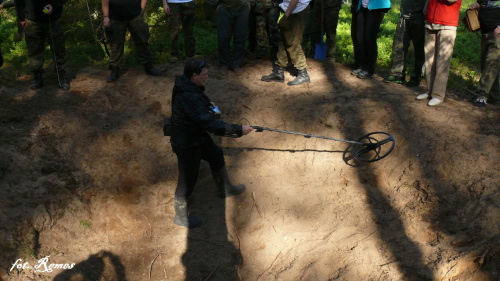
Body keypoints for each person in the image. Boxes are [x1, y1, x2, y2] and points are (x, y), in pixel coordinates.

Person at [170, 59, 253, 229]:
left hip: (196, 134)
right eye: (204, 74)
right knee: (187, 180)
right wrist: (238, 130)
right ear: (194, 76)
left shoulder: (187, 85)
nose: (207, 77)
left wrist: (208, 106)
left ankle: (225, 188)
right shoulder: (189, 95)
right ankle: (180, 217)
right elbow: (212, 125)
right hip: (186, 143)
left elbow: (200, 105)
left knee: (215, 155)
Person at [15, 0, 70, 90]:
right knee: (34, 50)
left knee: (58, 48)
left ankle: (62, 78)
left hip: (54, 20)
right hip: (31, 20)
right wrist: (21, 18)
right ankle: (37, 78)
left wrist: (54, 5)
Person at [102, 0, 161, 83]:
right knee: (116, 44)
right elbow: (105, 1)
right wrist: (106, 16)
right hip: (115, 18)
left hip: (136, 15)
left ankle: (149, 67)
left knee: (142, 41)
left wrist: (141, 10)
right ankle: (114, 70)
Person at [415, 0, 462, 106]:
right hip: (430, 22)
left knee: (442, 62)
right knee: (429, 60)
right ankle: (429, 91)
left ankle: (438, 95)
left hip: (447, 24)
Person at [261, 0, 312, 86]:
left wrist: (286, 16)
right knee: (283, 40)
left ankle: (303, 73)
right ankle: (279, 72)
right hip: (293, 9)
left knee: (293, 42)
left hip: (297, 10)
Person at [384, 0, 426, 87]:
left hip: (420, 17)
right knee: (399, 46)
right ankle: (397, 74)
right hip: (404, 16)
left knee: (419, 49)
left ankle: (416, 76)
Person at [469, 0, 500, 107]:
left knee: (491, 64)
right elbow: (479, 4)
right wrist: (475, 6)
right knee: (486, 65)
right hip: (485, 34)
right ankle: (493, 95)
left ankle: (482, 96)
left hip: (497, 35)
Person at [350, 0, 391, 79]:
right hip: (362, 7)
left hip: (377, 8)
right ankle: (362, 66)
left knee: (369, 39)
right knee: (359, 38)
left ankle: (369, 70)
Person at [208, 0, 250, 76]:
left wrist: (250, 3)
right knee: (223, 37)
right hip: (225, 8)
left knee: (240, 37)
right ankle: (224, 64)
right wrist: (215, 4)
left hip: (243, 8)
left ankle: (236, 64)